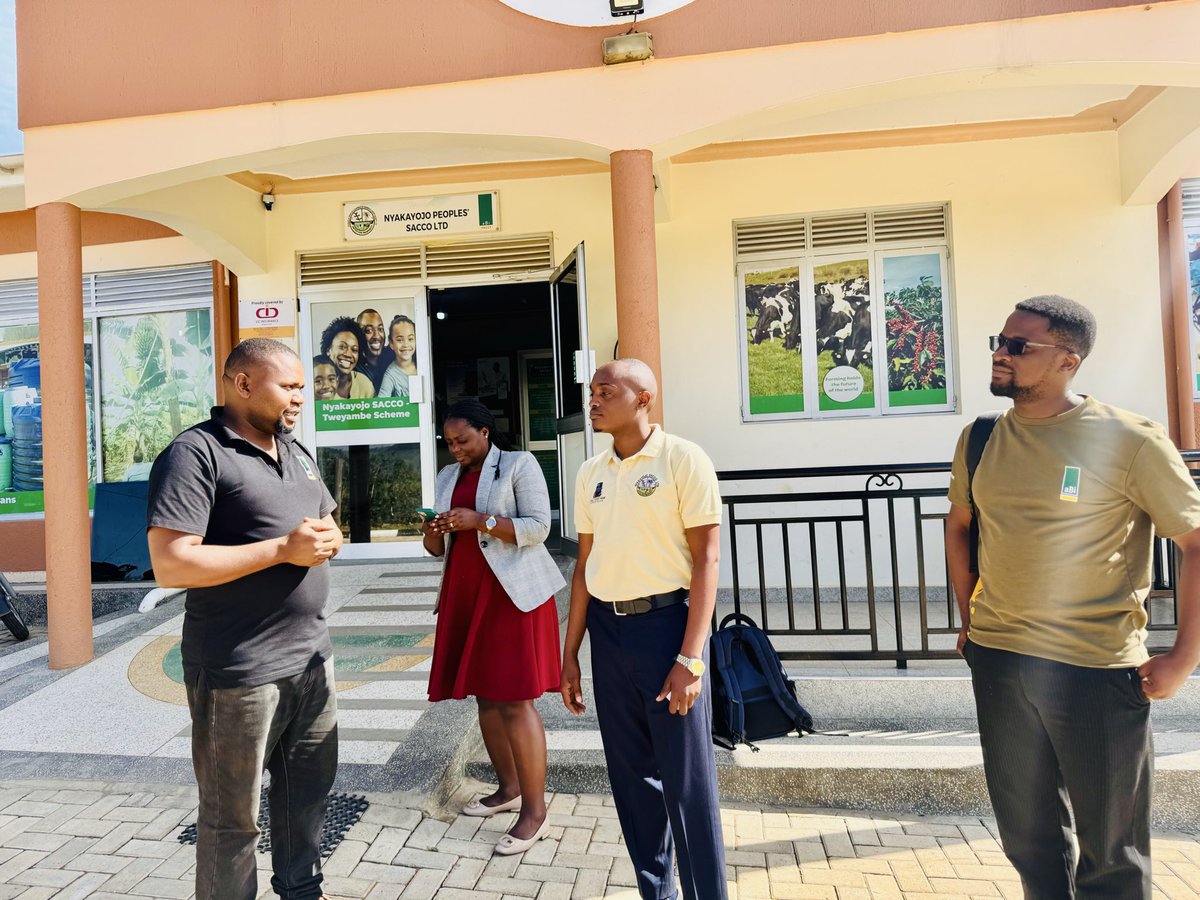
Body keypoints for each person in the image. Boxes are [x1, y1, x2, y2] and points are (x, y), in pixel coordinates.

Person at [946, 295, 1200, 899]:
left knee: (1111, 854)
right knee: (1028, 840)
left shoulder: (1130, 439)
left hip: (1095, 669)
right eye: (999, 341)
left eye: (1018, 346)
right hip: (1002, 662)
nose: (1000, 355)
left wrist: (1182, 659)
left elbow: (1196, 542)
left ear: (1068, 360)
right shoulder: (980, 438)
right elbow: (959, 526)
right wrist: (970, 618)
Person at [146, 338, 343, 900]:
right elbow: (171, 562)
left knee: (305, 797)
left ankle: (302, 891)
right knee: (232, 818)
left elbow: (324, 527)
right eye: (289, 386)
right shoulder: (196, 453)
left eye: (303, 387)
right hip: (238, 671)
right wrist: (284, 550)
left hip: (310, 659)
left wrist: (330, 539)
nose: (300, 397)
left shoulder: (296, 451)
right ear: (242, 384)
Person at [560, 358, 728, 900]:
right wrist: (571, 655)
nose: (594, 401)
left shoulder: (683, 459)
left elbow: (707, 561)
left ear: (643, 398)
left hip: (667, 633)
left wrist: (690, 658)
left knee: (687, 785)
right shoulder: (591, 473)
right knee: (633, 783)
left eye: (606, 391)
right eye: (592, 392)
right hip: (609, 639)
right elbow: (584, 568)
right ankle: (657, 892)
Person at [423, 399, 565, 855]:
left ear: (485, 432)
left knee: (515, 699)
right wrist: (432, 529)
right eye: (449, 442)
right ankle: (508, 790)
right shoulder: (448, 476)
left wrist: (480, 519)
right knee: (486, 697)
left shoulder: (519, 464)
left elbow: (540, 527)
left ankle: (535, 812)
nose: (456, 449)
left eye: (462, 440)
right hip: (466, 594)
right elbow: (437, 547)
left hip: (511, 595)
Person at [320, 316, 374, 398]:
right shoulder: (317, 385)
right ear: (328, 350)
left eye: (354, 350)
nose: (348, 354)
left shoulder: (364, 384)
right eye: (342, 347)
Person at [377, 315, 419, 399]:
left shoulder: (422, 364)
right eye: (399, 340)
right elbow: (381, 404)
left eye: (410, 339)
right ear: (391, 343)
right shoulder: (390, 375)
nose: (406, 345)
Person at [356, 308, 389, 390]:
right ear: (358, 334)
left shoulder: (393, 357)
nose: (377, 336)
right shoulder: (354, 366)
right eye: (369, 330)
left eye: (380, 329)